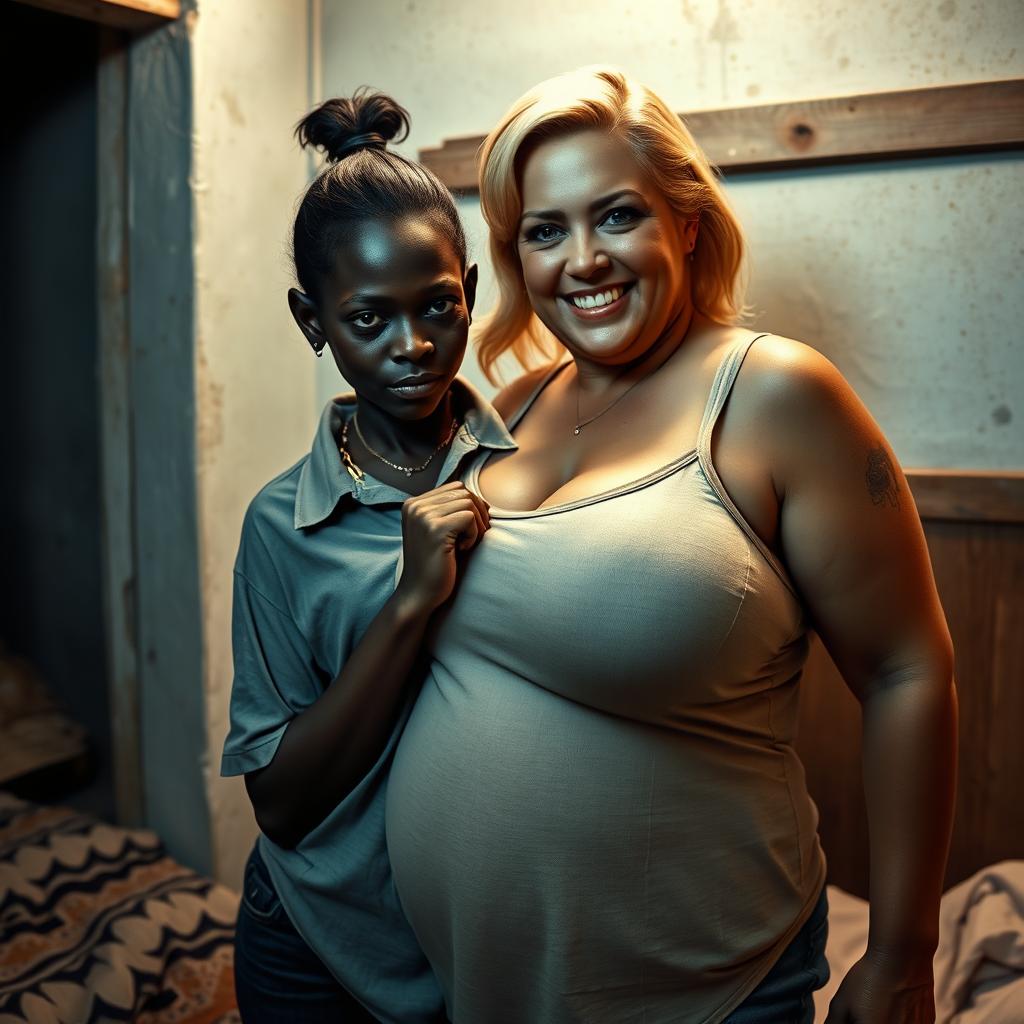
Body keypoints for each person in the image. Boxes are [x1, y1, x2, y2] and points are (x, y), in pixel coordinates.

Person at [385, 67, 958, 1024]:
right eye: (544, 231)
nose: (583, 261)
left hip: (705, 987)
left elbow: (909, 669)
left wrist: (903, 953)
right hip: (476, 986)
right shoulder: (510, 406)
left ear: (685, 222)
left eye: (616, 216)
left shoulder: (778, 395)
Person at [220, 89, 513, 1023]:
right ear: (313, 322)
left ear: (471, 289)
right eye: (368, 319)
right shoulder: (282, 526)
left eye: (439, 306)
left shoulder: (530, 463)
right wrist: (409, 602)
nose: (414, 345)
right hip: (318, 947)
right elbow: (281, 805)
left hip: (486, 942)